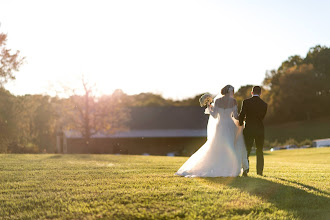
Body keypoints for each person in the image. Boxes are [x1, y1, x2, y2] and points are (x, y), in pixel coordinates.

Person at [175, 85, 248, 177]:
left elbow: (214, 115)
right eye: (232, 91)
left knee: (217, 147)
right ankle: (230, 168)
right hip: (230, 126)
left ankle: (218, 166)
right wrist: (243, 119)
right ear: (230, 92)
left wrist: (209, 107)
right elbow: (236, 116)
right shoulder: (233, 101)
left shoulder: (217, 101)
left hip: (220, 126)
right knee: (230, 146)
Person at [239, 86, 268, 176]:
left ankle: (246, 171)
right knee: (259, 150)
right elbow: (262, 117)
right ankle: (259, 172)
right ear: (260, 93)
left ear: (252, 92)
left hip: (249, 129)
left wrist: (240, 123)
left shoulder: (246, 102)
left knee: (247, 150)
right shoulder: (264, 104)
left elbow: (242, 114)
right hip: (259, 129)